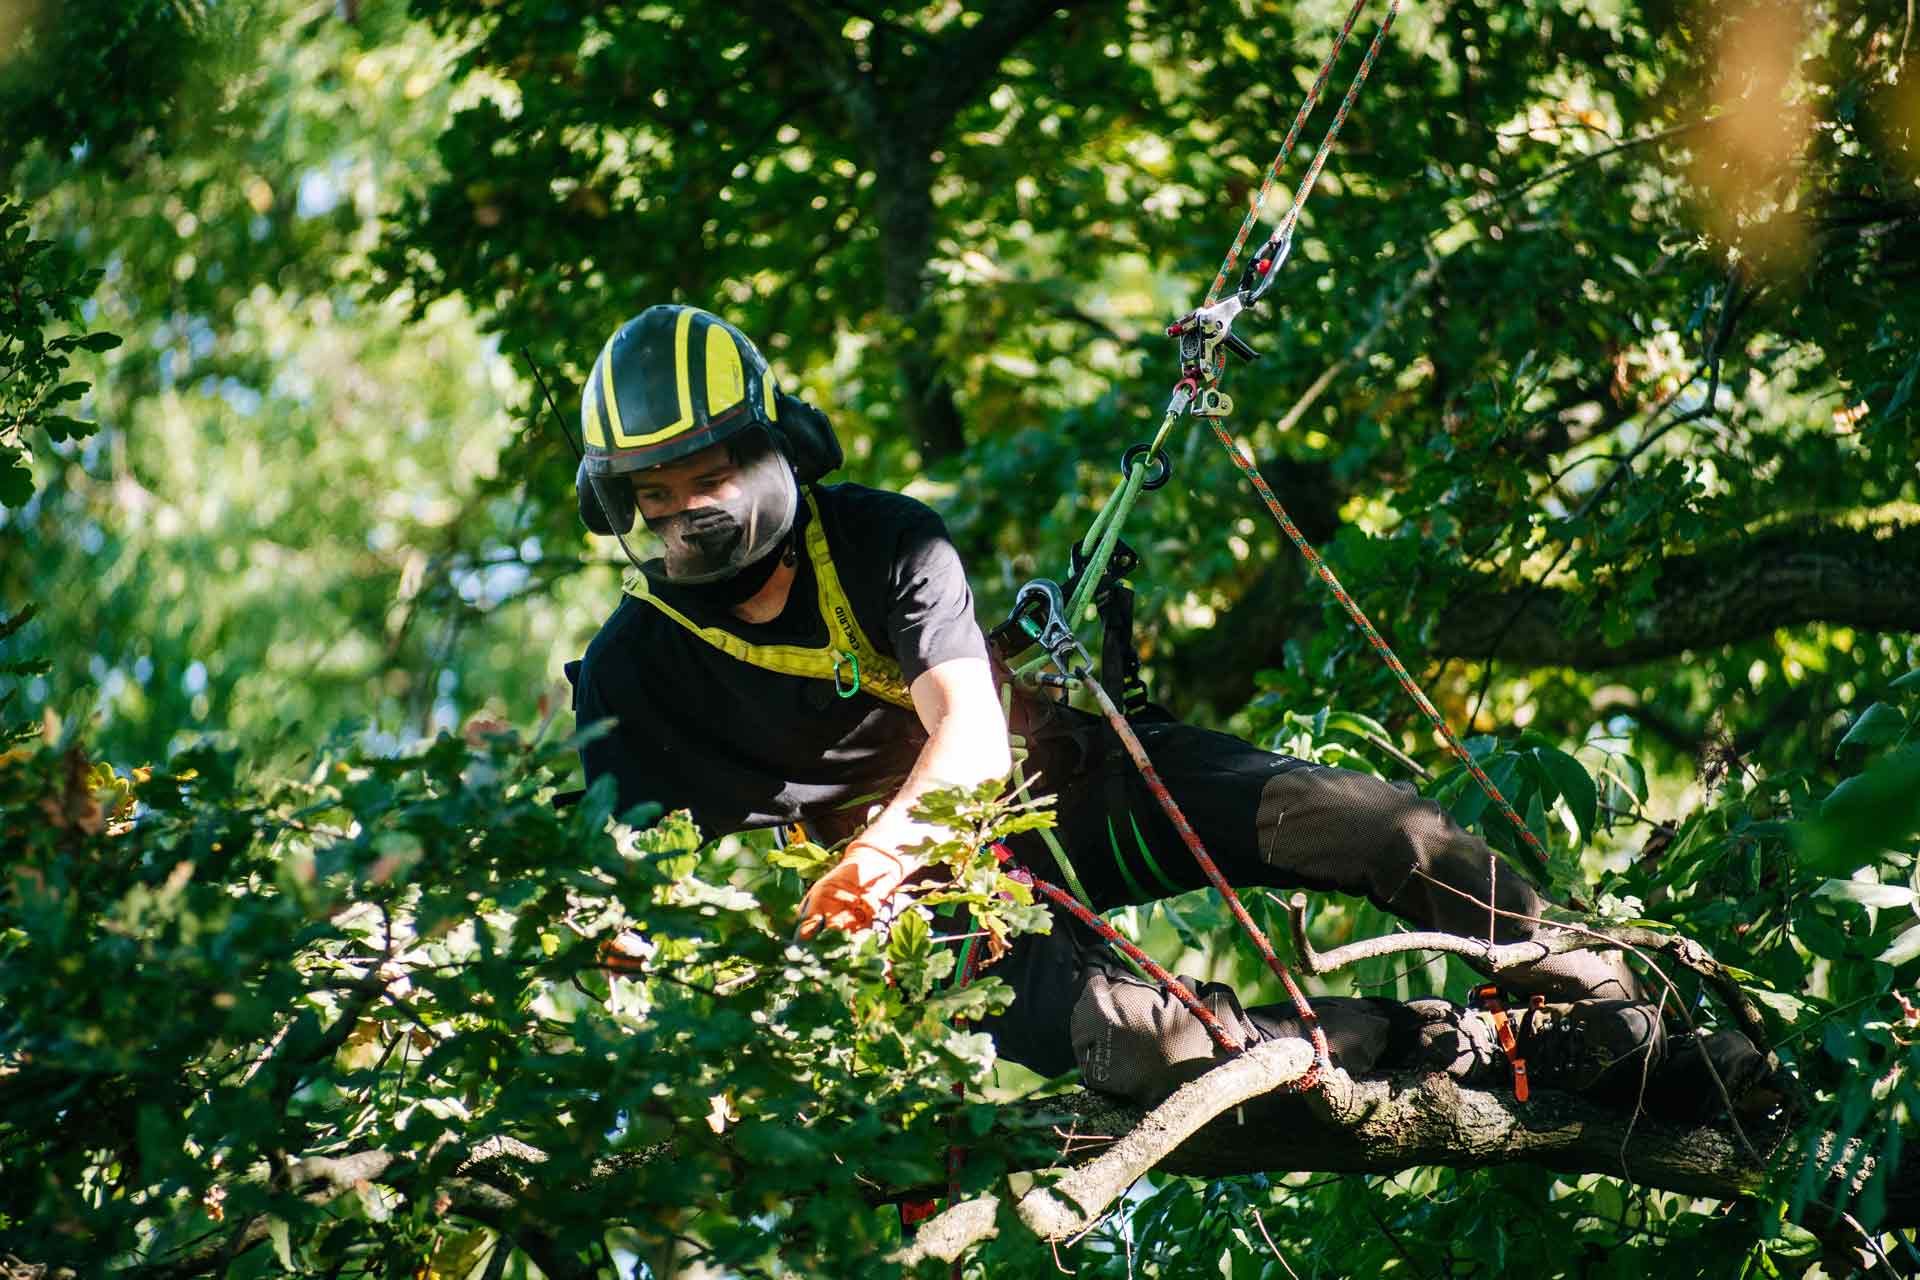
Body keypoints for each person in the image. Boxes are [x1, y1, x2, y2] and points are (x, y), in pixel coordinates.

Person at [569, 304, 1768, 1116]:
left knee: (1372, 825)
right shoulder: (631, 669)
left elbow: (975, 738)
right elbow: (622, 900)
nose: (688, 513)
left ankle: (1602, 1000)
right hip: (928, 926)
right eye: (656, 493)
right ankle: (1430, 1046)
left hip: (1049, 790)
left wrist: (879, 850)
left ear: (772, 448)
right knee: (1143, 1045)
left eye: (709, 475)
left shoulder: (885, 539)